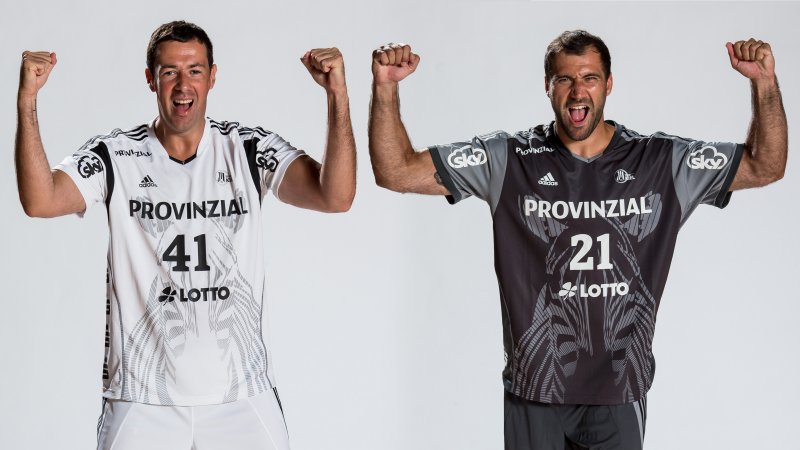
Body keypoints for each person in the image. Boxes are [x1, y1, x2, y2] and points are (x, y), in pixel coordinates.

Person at [368, 31, 786, 450]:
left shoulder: (660, 161)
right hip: (535, 388)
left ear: (609, 84)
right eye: (565, 79)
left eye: (590, 77)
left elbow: (765, 165)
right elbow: (396, 171)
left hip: (619, 390)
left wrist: (763, 82)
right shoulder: (508, 158)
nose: (577, 91)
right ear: (547, 86)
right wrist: (385, 87)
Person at [16, 20, 355, 450]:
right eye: (169, 72)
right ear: (150, 79)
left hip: (242, 395)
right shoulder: (117, 155)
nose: (182, 85)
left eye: (194, 70)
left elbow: (336, 196)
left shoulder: (247, 148)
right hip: (142, 397)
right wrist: (27, 100)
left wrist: (337, 96)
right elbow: (40, 200)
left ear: (212, 77)